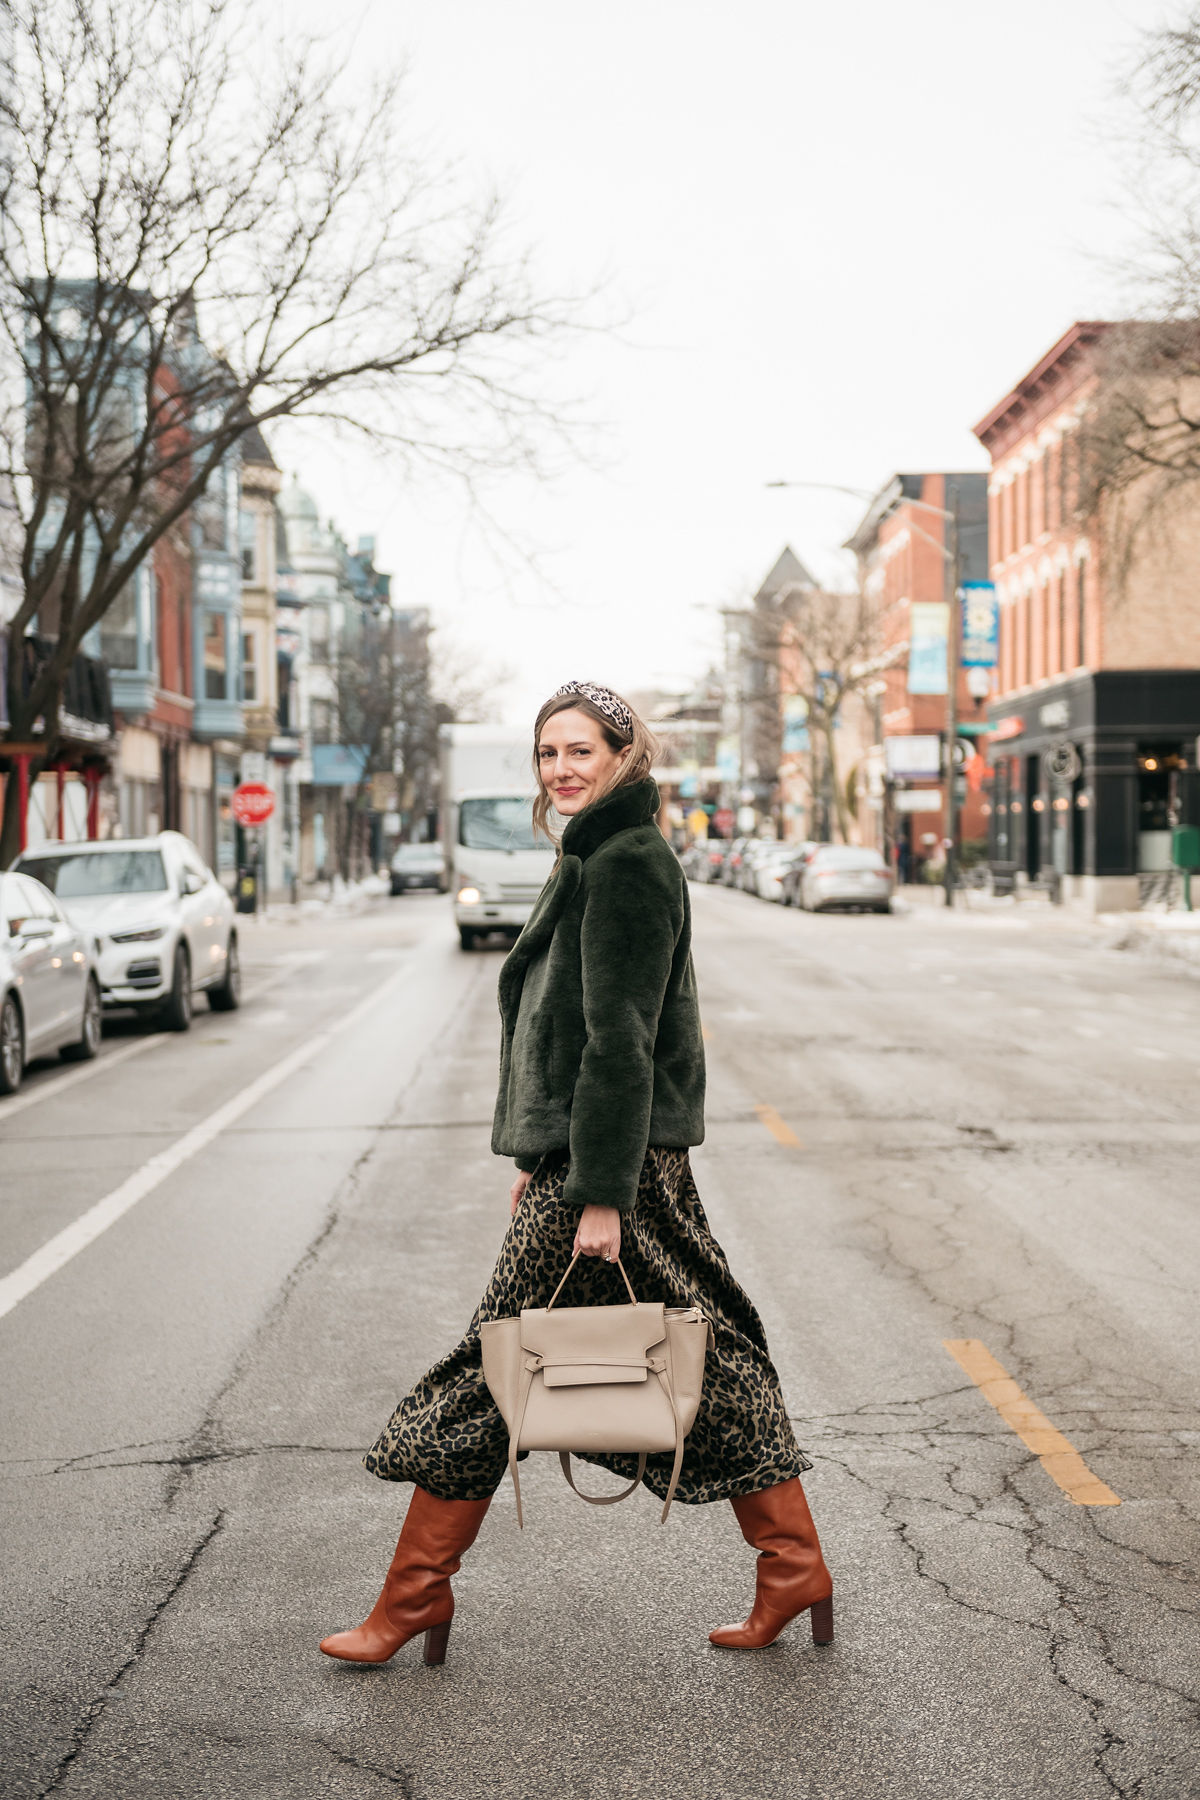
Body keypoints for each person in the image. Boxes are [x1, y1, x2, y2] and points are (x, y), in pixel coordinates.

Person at [319, 680, 832, 1666]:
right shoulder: (593, 851)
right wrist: (544, 1158)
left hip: (617, 1164)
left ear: (622, 757)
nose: (562, 767)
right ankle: (792, 1563)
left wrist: (597, 1185)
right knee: (710, 1355)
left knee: (490, 1367)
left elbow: (619, 1037)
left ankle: (413, 1599)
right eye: (549, 752)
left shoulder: (627, 861)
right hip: (606, 1158)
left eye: (581, 751)